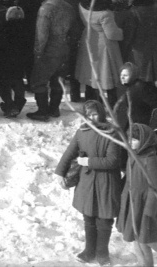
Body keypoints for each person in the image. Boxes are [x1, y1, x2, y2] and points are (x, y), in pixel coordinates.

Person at [55, 101, 122, 265]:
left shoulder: (112, 133)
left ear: (101, 113)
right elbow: (69, 152)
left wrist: (87, 161)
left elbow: (113, 161)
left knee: (104, 219)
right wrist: (60, 172)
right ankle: (89, 250)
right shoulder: (82, 132)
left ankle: (102, 252)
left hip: (107, 182)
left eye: (95, 114)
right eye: (89, 115)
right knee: (89, 217)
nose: (92, 118)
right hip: (87, 181)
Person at [117, 124, 157, 267]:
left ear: (144, 140)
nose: (130, 142)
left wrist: (149, 210)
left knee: (150, 239)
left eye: (134, 140)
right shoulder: (133, 154)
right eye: (129, 139)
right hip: (134, 202)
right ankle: (144, 263)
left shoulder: (150, 159)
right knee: (137, 238)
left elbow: (156, 187)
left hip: (147, 205)